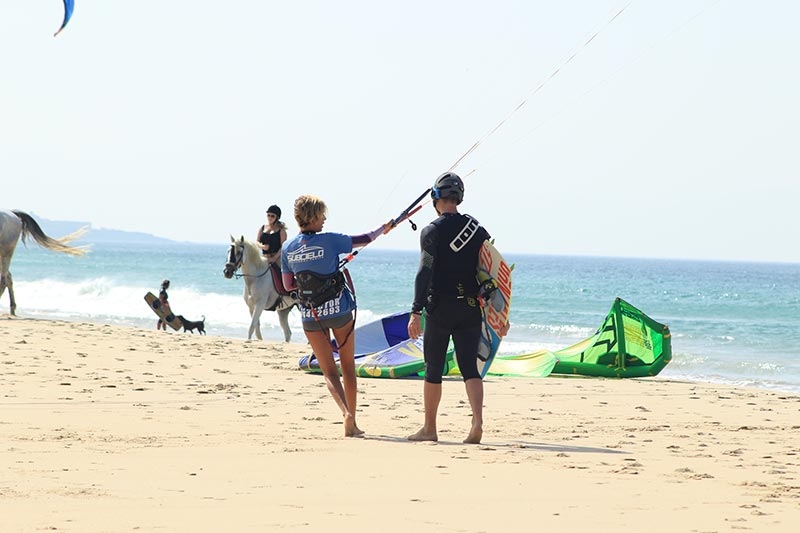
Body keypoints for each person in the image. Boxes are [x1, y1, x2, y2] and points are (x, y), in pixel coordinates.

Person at [406, 172, 509, 444]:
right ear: (459, 197)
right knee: (469, 369)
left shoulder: (431, 231)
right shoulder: (476, 229)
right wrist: (501, 313)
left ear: (436, 198)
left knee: (433, 369)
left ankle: (430, 428)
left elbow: (424, 272)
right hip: (470, 308)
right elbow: (492, 267)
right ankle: (477, 422)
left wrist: (416, 311)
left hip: (440, 308)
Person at [281, 195, 391, 438]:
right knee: (348, 367)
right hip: (340, 311)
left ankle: (345, 413)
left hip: (311, 317)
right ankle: (352, 420)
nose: (324, 220)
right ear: (312, 217)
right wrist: (386, 227)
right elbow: (365, 239)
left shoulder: (287, 249)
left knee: (329, 372)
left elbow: (288, 286)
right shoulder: (330, 240)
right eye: (322, 215)